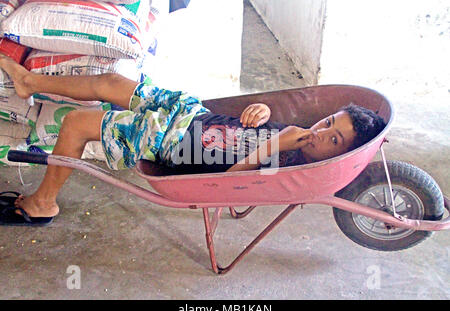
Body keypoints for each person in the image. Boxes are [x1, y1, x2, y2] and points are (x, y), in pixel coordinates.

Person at [0, 54, 386, 226]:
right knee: (110, 82)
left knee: (77, 125)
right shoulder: (299, 134)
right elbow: (263, 120)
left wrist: (274, 145)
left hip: (172, 143)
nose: (320, 133)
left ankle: (42, 204)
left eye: (333, 140)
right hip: (192, 113)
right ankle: (28, 81)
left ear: (338, 155)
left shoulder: (290, 164)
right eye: (329, 121)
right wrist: (262, 114)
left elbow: (231, 183)